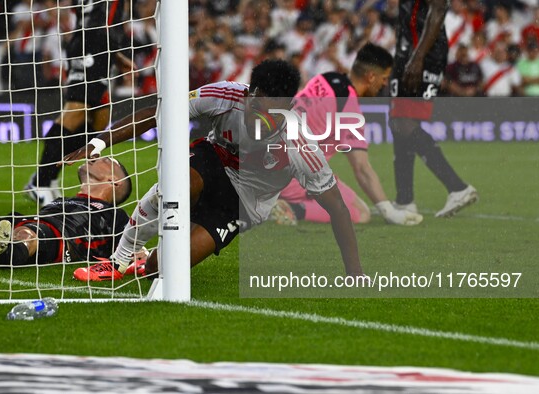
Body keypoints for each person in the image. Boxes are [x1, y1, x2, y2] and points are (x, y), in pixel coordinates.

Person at [64, 60, 366, 282]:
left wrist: (355, 274)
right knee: (180, 179)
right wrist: (100, 140)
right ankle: (119, 260)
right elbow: (160, 112)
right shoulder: (223, 96)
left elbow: (337, 207)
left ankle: (145, 261)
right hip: (212, 163)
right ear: (249, 95)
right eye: (257, 110)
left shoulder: (299, 145)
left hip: (244, 204)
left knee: (161, 271)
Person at [273, 43, 423, 226]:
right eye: (384, 78)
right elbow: (361, 169)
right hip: (290, 174)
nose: (385, 84)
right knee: (360, 211)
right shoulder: (349, 109)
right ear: (371, 76)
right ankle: (292, 209)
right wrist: (389, 211)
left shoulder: (325, 78)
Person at [24, 0, 134, 206]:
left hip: (103, 44)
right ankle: (41, 182)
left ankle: (49, 173)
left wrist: (116, 54)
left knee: (100, 120)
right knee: (77, 108)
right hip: (90, 41)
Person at [0, 158, 134, 272]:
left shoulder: (115, 214)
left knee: (29, 233)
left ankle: (2, 252)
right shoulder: (63, 199)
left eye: (107, 160)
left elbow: (132, 249)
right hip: (21, 224)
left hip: (60, 239)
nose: (95, 156)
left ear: (114, 181)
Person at [389, 0, 478, 218]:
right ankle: (404, 201)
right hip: (408, 50)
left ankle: (457, 187)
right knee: (397, 121)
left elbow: (439, 8)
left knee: (404, 122)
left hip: (424, 54)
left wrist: (418, 57)